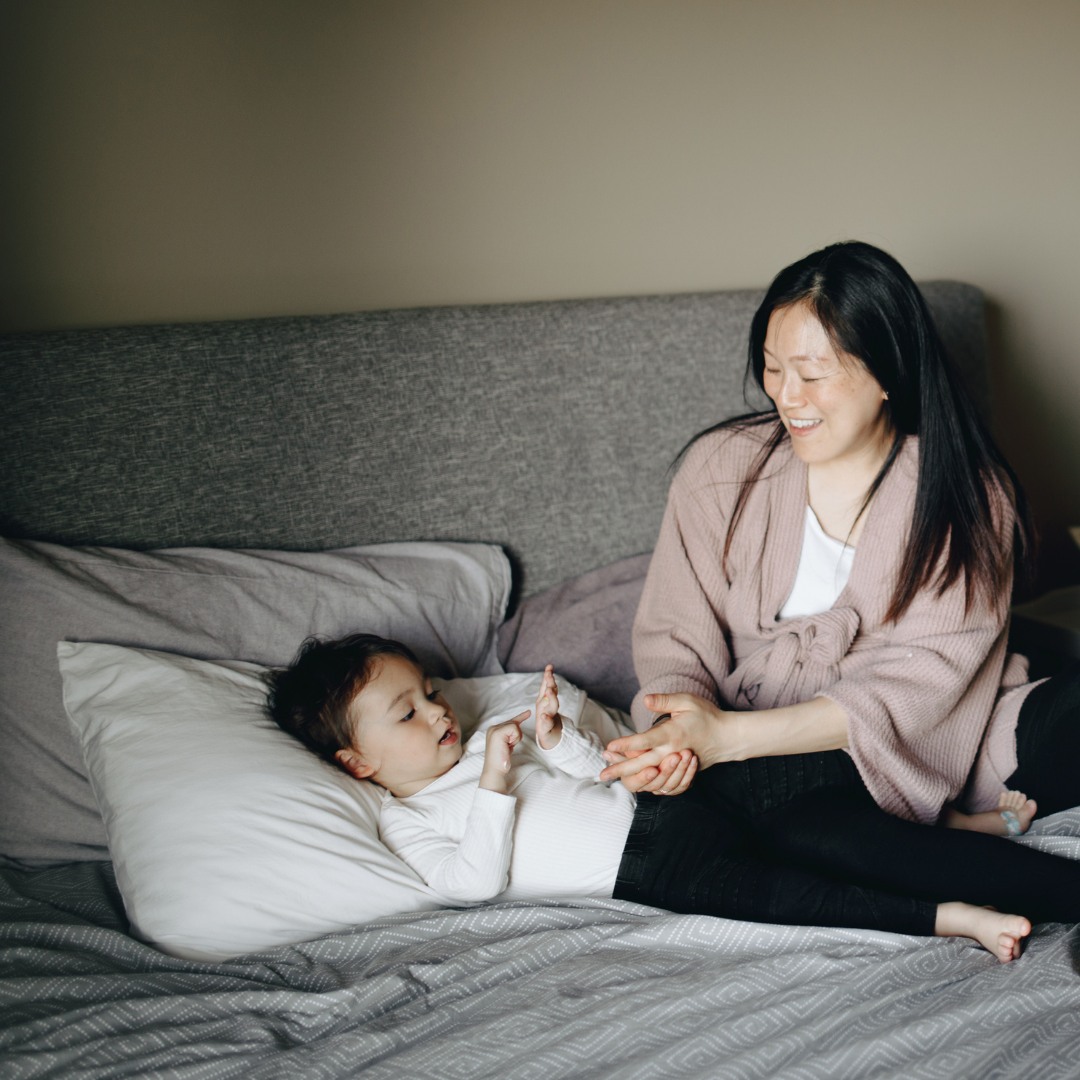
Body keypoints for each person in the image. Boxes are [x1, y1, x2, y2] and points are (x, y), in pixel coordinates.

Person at [599, 241, 1079, 838]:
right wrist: (681, 732)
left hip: (935, 733)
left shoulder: (969, 496)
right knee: (757, 809)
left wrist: (731, 739)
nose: (786, 397)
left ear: (886, 374)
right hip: (739, 735)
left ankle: (929, 821)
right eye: (773, 367)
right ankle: (932, 836)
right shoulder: (718, 468)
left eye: (814, 374)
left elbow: (923, 682)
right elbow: (675, 633)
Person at [267, 633, 1080, 963]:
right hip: (653, 870)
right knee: (796, 897)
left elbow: (597, 771)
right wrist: (492, 783)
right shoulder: (410, 822)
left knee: (836, 802)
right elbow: (470, 881)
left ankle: (953, 820)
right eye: (408, 713)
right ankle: (956, 918)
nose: (440, 711)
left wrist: (555, 739)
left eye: (432, 691)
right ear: (358, 762)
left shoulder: (492, 734)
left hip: (681, 799)